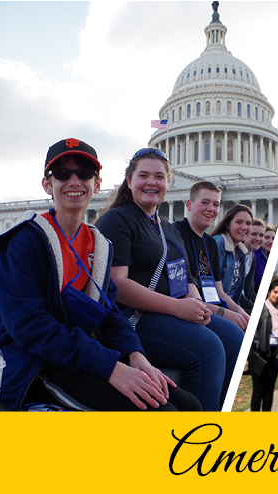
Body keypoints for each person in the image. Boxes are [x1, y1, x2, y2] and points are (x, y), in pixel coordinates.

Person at [0, 138, 199, 412]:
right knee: (160, 412)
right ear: (47, 184)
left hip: (82, 354)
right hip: (38, 364)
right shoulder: (26, 240)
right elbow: (31, 328)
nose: (74, 181)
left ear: (97, 182)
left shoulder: (99, 245)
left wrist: (135, 354)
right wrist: (111, 368)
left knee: (189, 404)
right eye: (62, 173)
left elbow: (109, 311)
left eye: (84, 173)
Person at [96, 148, 242, 411]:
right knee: (208, 348)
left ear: (168, 183)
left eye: (159, 177)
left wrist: (198, 306)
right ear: (129, 182)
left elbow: (184, 279)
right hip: (133, 318)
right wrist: (177, 307)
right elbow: (118, 285)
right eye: (143, 175)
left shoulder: (169, 229)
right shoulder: (117, 220)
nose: (152, 182)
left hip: (172, 312)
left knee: (233, 337)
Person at [173, 181, 249, 332]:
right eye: (205, 202)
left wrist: (239, 310)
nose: (211, 209)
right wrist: (223, 313)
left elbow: (219, 291)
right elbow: (182, 292)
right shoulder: (176, 233)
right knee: (235, 337)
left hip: (210, 306)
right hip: (190, 310)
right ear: (188, 205)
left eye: (215, 204)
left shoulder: (210, 243)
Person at [250, 281, 278, 411]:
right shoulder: (261, 308)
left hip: (276, 355)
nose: (277, 295)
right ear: (269, 292)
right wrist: (256, 348)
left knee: (269, 391)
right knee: (258, 390)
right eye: (275, 292)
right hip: (259, 354)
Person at [211, 205, 254, 314]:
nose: (244, 227)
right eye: (239, 222)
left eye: (248, 223)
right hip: (217, 309)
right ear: (227, 224)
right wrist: (239, 312)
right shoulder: (218, 243)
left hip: (230, 307)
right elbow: (214, 291)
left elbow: (235, 293)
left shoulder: (241, 251)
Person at [242, 219, 265, 304]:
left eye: (261, 235)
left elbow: (250, 289)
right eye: (253, 234)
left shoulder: (252, 256)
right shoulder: (236, 254)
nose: (258, 239)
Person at [253, 225, 275, 294]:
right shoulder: (257, 256)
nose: (271, 241)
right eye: (267, 237)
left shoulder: (266, 256)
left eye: (273, 238)